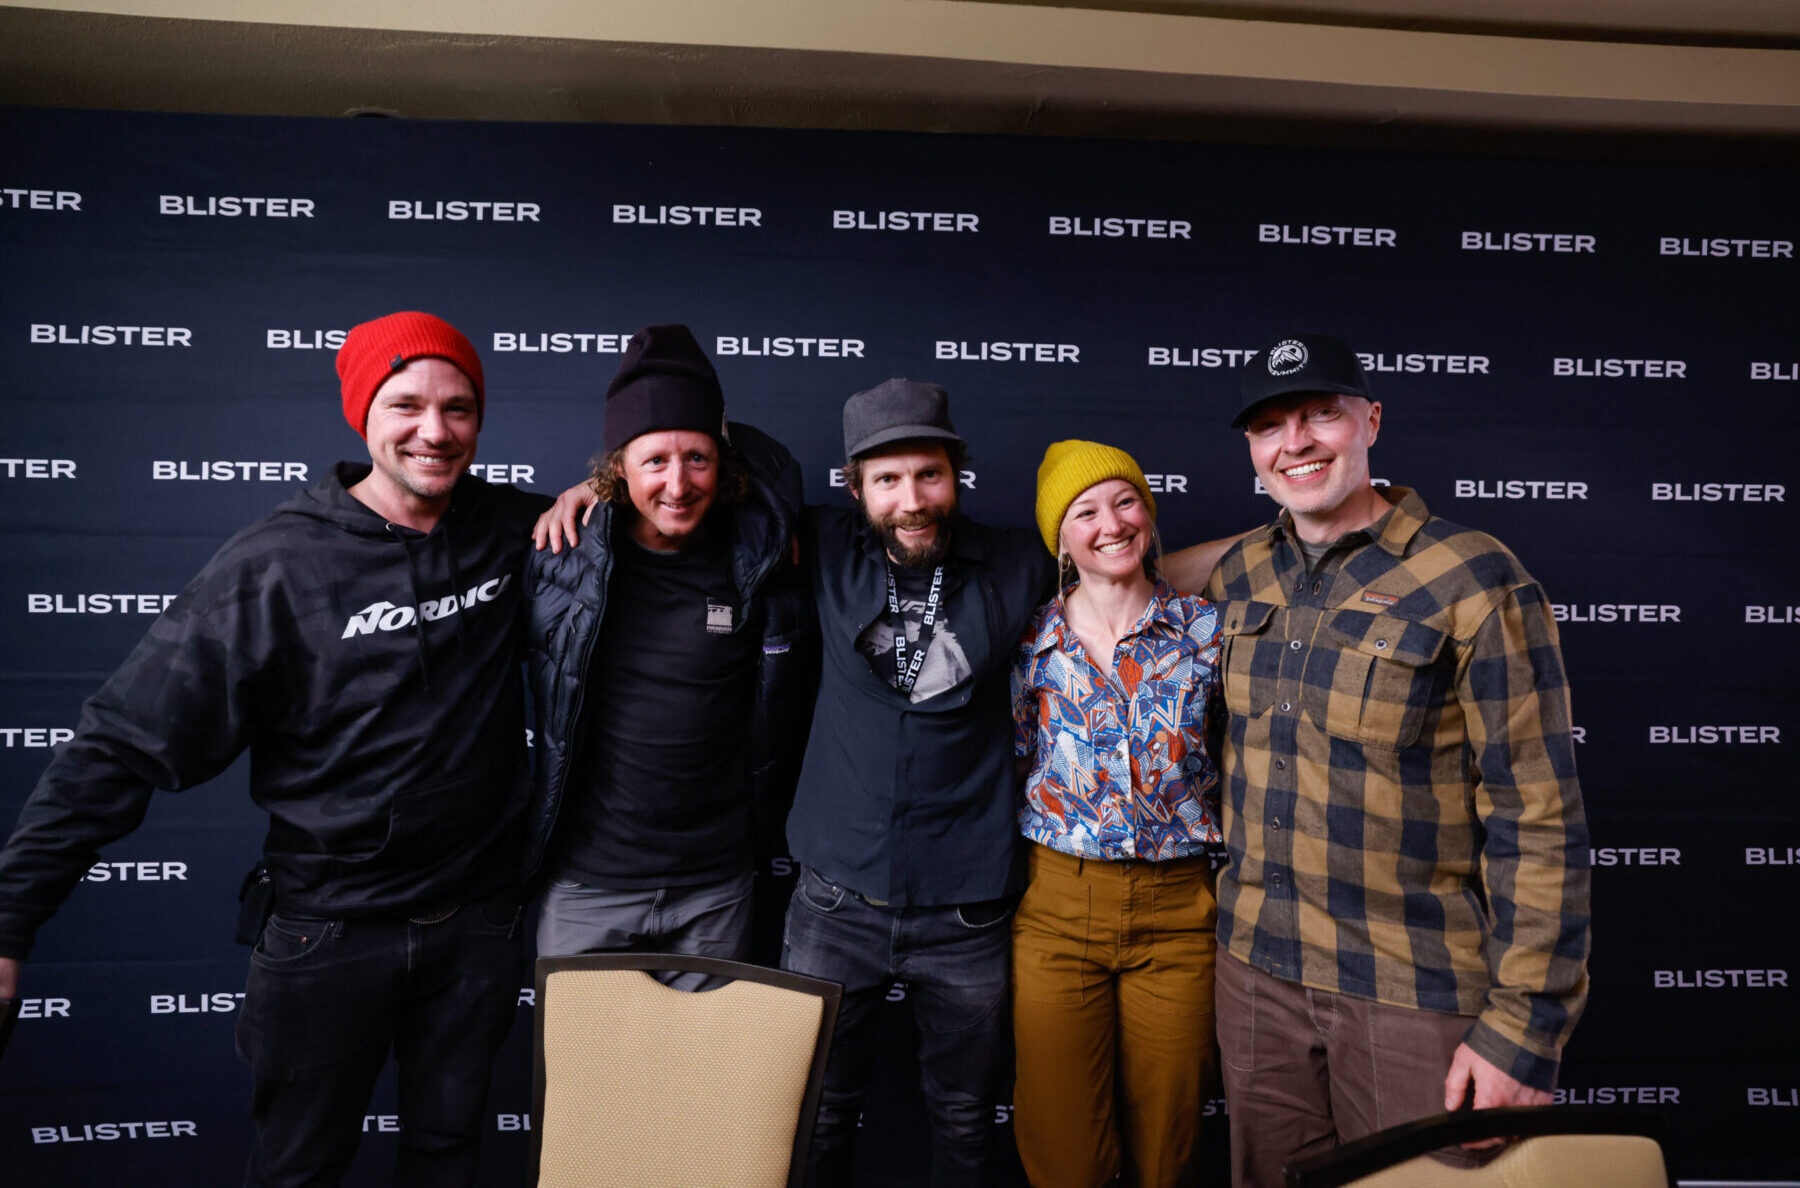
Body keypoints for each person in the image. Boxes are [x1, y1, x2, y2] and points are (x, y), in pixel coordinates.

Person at [0, 311, 548, 1187]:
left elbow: (667, 505)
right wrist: (8, 922)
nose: (435, 432)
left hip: (475, 927)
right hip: (330, 935)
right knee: (299, 1170)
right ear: (362, 412)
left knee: (448, 1158)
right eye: (406, 404)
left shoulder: (514, 531)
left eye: (460, 408)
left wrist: (600, 486)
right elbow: (121, 743)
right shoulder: (273, 566)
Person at [1190, 333, 1590, 1187]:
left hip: (1412, 991)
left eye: (1320, 415)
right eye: (1269, 427)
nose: (1294, 441)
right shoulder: (1239, 574)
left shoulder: (1475, 577)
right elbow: (1119, 574)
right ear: (1252, 453)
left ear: (1371, 419)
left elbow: (1539, 814)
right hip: (1255, 976)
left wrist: (1525, 1029)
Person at [781, 378, 1054, 1187]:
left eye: (929, 475)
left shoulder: (1016, 560)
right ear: (855, 485)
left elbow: (1136, 559)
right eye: (888, 479)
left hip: (965, 910)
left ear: (957, 474)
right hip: (834, 902)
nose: (912, 500)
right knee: (816, 1112)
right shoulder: (821, 546)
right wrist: (601, 479)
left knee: (966, 1119)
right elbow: (725, 461)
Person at [521, 324, 815, 985]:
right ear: (616, 469)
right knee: (585, 1090)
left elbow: (779, 472)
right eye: (654, 461)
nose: (678, 485)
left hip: (715, 890)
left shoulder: (762, 561)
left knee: (694, 1088)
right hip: (586, 886)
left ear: (725, 462)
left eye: (698, 459)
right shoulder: (559, 558)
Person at [1009, 440, 1225, 1188]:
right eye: (1085, 510)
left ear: (1150, 511)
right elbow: (1012, 756)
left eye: (1125, 500)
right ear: (1060, 538)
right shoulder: (1031, 639)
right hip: (1058, 905)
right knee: (1063, 1144)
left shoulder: (1206, 633)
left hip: (1179, 907)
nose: (1111, 523)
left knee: (1170, 1140)